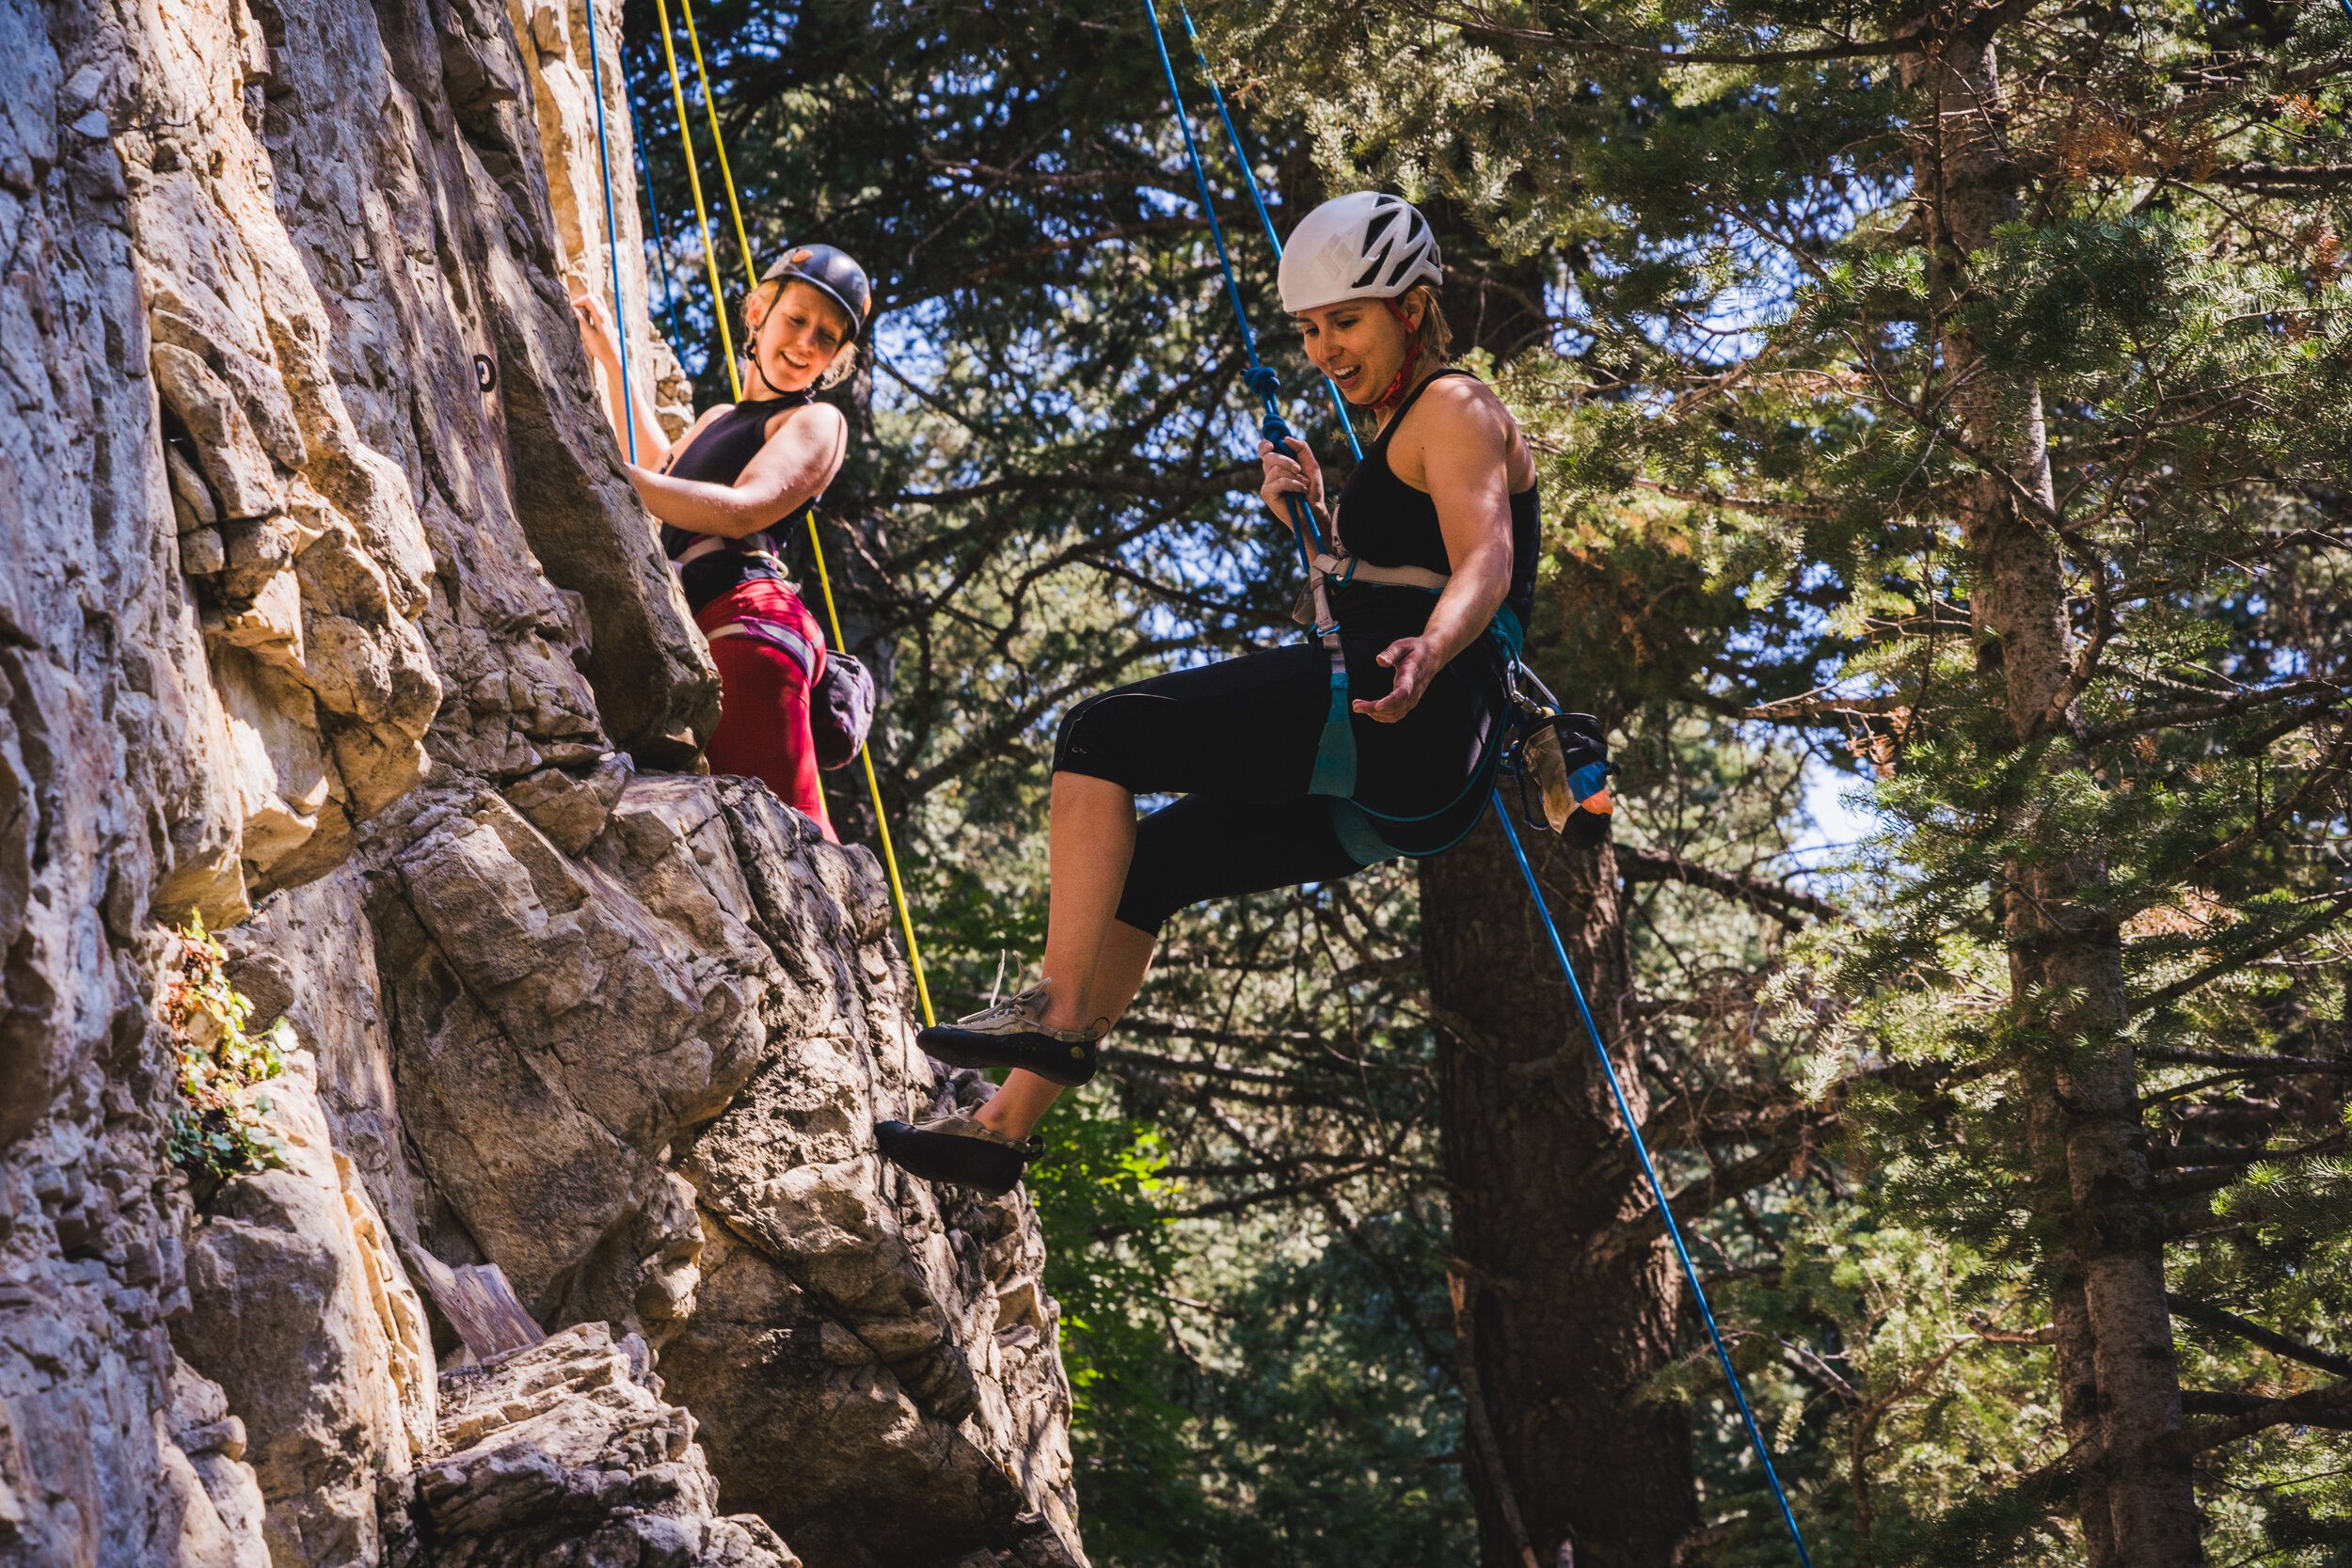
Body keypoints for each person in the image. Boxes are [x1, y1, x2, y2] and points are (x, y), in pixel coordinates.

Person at [877, 194, 1542, 1195]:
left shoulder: (1455, 406)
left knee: (1103, 734)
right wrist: (1318, 521)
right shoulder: (1400, 430)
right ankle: (998, 1129)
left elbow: (1484, 562)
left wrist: (1429, 651)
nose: (1323, 348)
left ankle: (1054, 1008)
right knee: (1153, 868)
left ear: (1410, 307)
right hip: (1408, 765)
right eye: (1309, 330)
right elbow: (1381, 583)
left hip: (1417, 703)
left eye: (1344, 321)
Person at [570, 245, 872, 841]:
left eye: (827, 337)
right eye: (796, 319)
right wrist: (608, 354)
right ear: (757, 313)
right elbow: (662, 463)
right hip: (702, 626)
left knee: (789, 835)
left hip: (749, 625)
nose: (807, 342)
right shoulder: (718, 417)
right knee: (752, 834)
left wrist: (599, 466)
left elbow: (740, 512)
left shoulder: (816, 423)